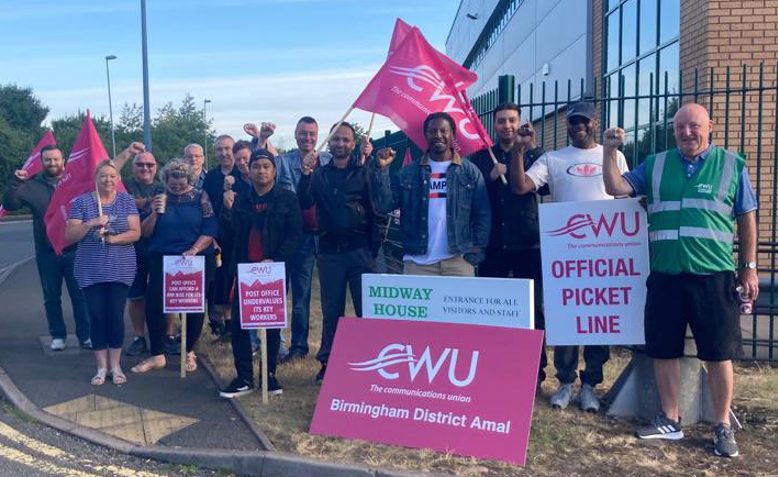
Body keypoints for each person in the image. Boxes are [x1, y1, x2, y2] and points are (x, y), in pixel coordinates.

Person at [602, 103, 758, 458]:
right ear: (673, 131)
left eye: (694, 126)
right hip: (666, 275)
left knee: (719, 354)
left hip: (713, 275)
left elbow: (747, 216)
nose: (687, 133)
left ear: (711, 127)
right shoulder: (656, 164)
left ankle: (721, 425)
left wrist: (748, 266)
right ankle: (669, 420)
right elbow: (614, 187)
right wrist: (610, 150)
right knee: (663, 349)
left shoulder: (732, 165)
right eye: (679, 127)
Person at [509, 100, 629, 412]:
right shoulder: (553, 158)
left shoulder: (615, 156)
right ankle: (564, 382)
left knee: (597, 321)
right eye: (573, 122)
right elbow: (521, 187)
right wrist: (519, 151)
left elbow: (623, 194)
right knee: (566, 319)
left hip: (603, 253)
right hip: (567, 254)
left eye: (584, 121)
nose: (578, 126)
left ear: (594, 123)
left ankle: (590, 384)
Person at [470, 102, 549, 385]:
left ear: (519, 122)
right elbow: (469, 197)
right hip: (493, 245)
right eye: (502, 121)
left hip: (528, 244)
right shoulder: (480, 159)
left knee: (532, 310)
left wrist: (524, 151)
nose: (507, 126)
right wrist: (490, 180)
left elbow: (549, 187)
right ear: (494, 125)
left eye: (512, 120)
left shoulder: (536, 155)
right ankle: (495, 364)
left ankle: (535, 371)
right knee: (493, 310)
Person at [218, 149, 302, 398]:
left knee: (272, 325)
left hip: (273, 270)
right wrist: (226, 210)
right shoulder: (240, 199)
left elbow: (295, 234)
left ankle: (269, 375)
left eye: (266, 166)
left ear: (274, 170)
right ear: (250, 170)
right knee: (241, 326)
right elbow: (228, 233)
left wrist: (275, 259)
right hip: (244, 271)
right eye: (257, 166)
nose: (261, 171)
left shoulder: (287, 199)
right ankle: (244, 377)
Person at [298, 121, 377, 384]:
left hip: (359, 251)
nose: (340, 144)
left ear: (353, 144)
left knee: (366, 310)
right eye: (336, 140)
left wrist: (372, 249)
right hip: (330, 252)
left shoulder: (364, 172)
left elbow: (377, 210)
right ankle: (328, 363)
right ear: (329, 143)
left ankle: (371, 362)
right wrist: (305, 174)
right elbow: (305, 201)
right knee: (332, 312)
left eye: (345, 140)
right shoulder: (320, 174)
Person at [371, 112, 490, 277]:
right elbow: (385, 205)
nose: (438, 135)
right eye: (433, 131)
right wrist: (382, 170)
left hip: (458, 261)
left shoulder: (469, 171)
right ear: (426, 135)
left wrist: (475, 251)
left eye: (444, 131)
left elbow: (482, 213)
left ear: (452, 134)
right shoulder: (408, 173)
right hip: (418, 264)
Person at [131, 160, 217, 374]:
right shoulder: (158, 197)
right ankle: (157, 354)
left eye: (181, 183)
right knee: (155, 304)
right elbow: (145, 232)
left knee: (193, 306)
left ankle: (189, 350)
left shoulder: (200, 197)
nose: (177, 186)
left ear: (189, 180)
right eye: (173, 183)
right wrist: (155, 213)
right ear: (166, 180)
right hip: (162, 258)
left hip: (193, 259)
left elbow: (210, 228)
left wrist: (195, 249)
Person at [2, 144, 91, 350]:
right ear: (41, 162)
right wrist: (16, 182)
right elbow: (10, 205)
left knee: (80, 296)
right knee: (51, 297)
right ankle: (57, 335)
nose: (52, 163)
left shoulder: (74, 183)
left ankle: (85, 335)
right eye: (48, 160)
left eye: (56, 159)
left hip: (74, 248)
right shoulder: (32, 186)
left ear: (63, 161)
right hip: (47, 252)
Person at [65, 160, 140, 385]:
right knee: (96, 317)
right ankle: (101, 366)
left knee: (114, 316)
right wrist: (91, 223)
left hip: (120, 268)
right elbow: (70, 235)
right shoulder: (82, 202)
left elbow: (135, 233)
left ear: (118, 179)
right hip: (90, 269)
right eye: (103, 176)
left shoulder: (126, 201)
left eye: (112, 176)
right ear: (96, 178)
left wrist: (112, 238)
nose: (108, 180)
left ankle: (116, 366)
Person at [274, 117, 332, 363]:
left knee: (332, 296)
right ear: (296, 134)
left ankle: (332, 347)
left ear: (317, 136)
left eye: (312, 134)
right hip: (299, 237)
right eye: (303, 133)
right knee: (300, 294)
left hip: (328, 235)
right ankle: (298, 346)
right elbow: (263, 176)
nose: (307, 138)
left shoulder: (330, 160)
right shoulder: (283, 162)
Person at [112, 143, 163, 356]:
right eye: (140, 164)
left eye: (150, 164)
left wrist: (137, 203)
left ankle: (167, 335)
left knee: (164, 296)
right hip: (132, 250)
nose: (145, 168)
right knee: (136, 296)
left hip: (161, 248)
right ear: (133, 167)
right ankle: (139, 337)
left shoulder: (165, 185)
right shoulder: (124, 186)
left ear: (156, 167)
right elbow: (107, 171)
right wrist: (127, 153)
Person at [203, 135, 240, 340]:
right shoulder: (211, 177)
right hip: (218, 236)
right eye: (219, 149)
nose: (224, 153)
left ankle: (239, 323)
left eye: (227, 148)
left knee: (237, 278)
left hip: (240, 235)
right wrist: (211, 235)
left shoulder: (243, 172)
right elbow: (207, 207)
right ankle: (227, 324)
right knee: (221, 280)